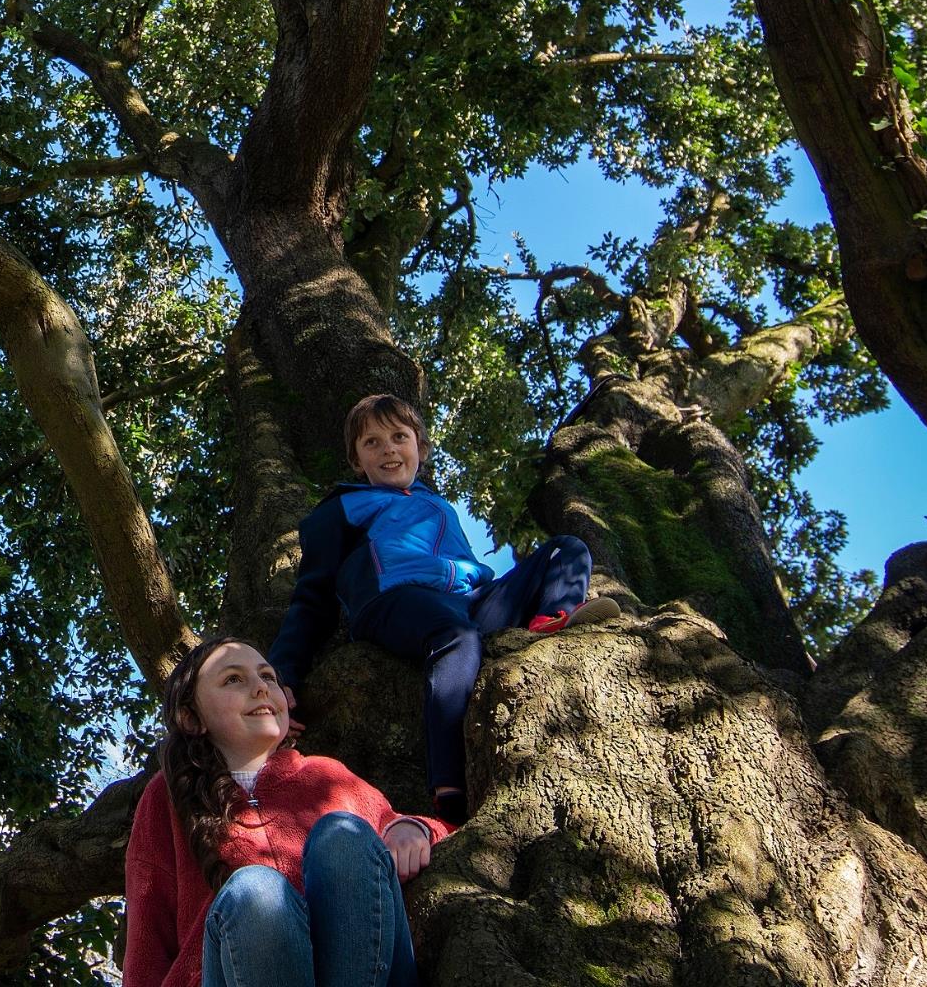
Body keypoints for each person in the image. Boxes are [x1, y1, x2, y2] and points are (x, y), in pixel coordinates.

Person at [266, 394, 619, 825]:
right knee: (456, 638)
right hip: (395, 598)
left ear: (421, 448)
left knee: (568, 548)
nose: (389, 449)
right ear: (357, 461)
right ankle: (449, 788)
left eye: (399, 437)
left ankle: (548, 622)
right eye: (372, 443)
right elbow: (312, 595)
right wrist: (283, 676)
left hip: (470, 600)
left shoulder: (437, 504)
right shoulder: (343, 506)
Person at [124, 636, 451, 987]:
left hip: (364, 970)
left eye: (268, 677)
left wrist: (410, 828)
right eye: (233, 679)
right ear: (191, 718)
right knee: (255, 889)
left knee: (341, 835)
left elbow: (417, 827)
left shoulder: (327, 776)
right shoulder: (167, 797)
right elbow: (147, 938)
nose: (261, 688)